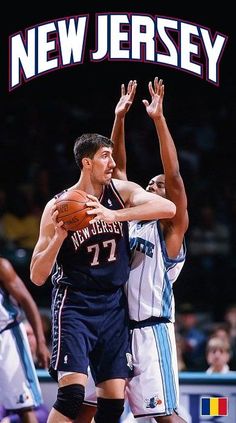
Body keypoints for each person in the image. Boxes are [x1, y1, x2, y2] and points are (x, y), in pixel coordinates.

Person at [30, 131, 176, 423]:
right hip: (75, 305)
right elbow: (36, 275)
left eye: (111, 155)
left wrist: (114, 216)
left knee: (112, 405)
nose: (111, 163)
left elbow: (168, 207)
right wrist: (59, 237)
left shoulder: (120, 192)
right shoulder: (58, 206)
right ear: (87, 163)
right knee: (72, 397)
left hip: (112, 306)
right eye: (104, 156)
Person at [76, 78, 189, 423]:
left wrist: (158, 119)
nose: (152, 188)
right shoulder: (130, 220)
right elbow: (118, 173)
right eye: (149, 186)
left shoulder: (171, 228)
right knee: (90, 405)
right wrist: (120, 118)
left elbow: (174, 175)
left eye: (158, 187)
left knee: (164, 418)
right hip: (119, 327)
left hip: (153, 329)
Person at [0, 256, 50, 423]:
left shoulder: (2, 266)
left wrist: (41, 343)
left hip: (7, 337)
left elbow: (27, 301)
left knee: (24, 405)